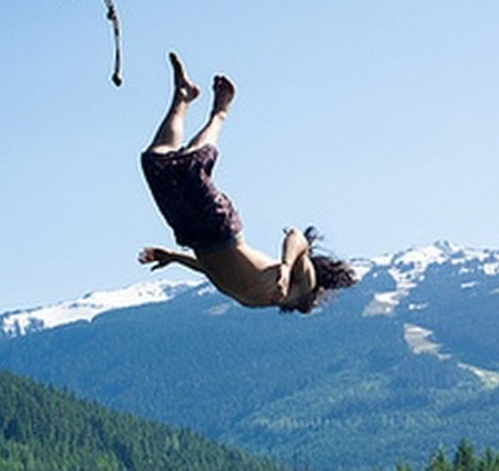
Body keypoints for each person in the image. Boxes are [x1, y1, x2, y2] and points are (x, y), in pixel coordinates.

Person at [138, 52, 357, 312]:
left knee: (155, 163)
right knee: (190, 167)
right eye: (319, 300)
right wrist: (286, 269)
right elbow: (297, 237)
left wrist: (174, 258)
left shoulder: (264, 296)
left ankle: (183, 97)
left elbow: (216, 268)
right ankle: (220, 113)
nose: (315, 305)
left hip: (194, 238)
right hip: (219, 228)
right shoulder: (303, 285)